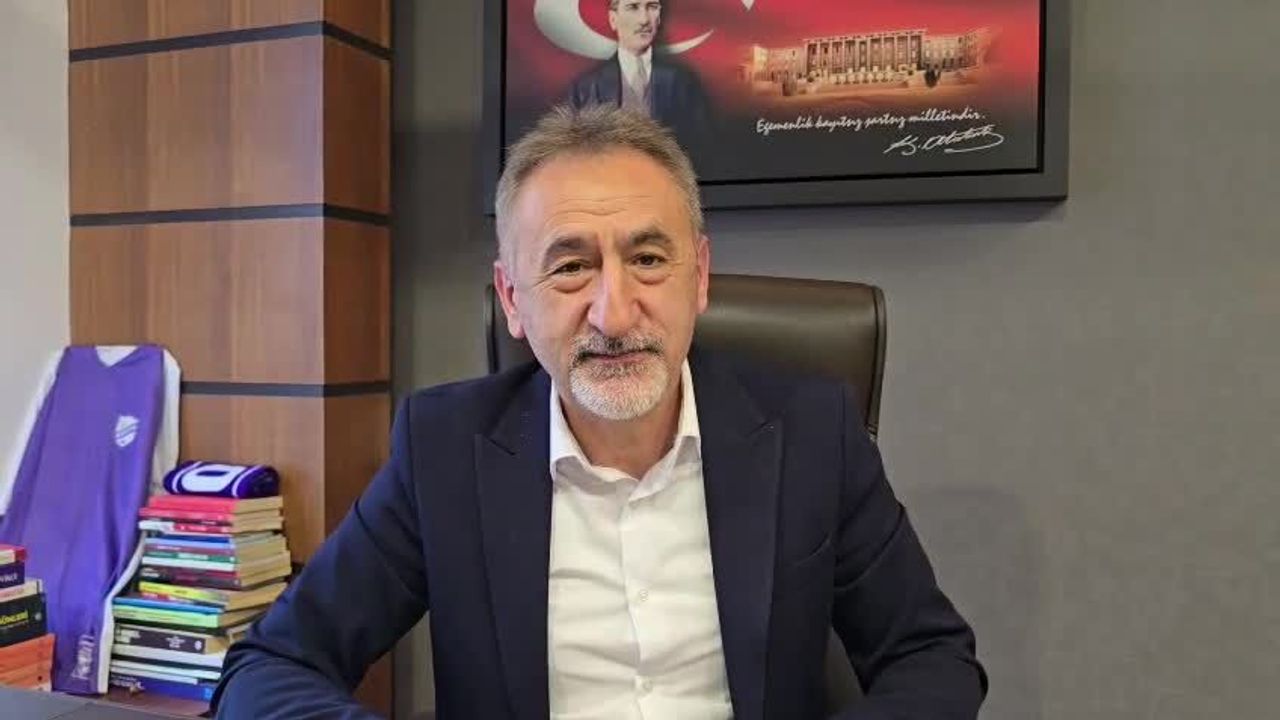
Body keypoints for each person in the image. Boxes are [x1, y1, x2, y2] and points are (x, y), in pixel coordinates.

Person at [212, 105, 987, 719]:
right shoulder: (443, 452)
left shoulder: (814, 434)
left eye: (648, 260)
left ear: (699, 276)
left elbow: (932, 658)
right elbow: (270, 667)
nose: (614, 313)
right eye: (571, 268)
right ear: (512, 299)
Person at [566, 1, 711, 161]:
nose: (644, 20)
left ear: (659, 17)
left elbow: (701, 151)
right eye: (633, 7)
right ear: (613, 19)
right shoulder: (585, 88)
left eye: (652, 7)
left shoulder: (683, 82)